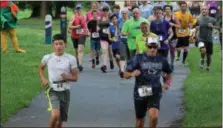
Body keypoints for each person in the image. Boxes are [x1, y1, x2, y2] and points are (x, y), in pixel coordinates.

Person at [120, 36, 172, 128]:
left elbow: (169, 72)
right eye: (150, 47)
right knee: (140, 121)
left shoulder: (162, 60)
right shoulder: (138, 58)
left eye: (155, 47)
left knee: (154, 117)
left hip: (155, 91)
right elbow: (124, 74)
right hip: (141, 92)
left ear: (158, 47)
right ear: (146, 46)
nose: (152, 49)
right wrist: (132, 74)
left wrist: (167, 83)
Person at [39, 34, 79, 128]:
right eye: (56, 44)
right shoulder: (47, 57)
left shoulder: (71, 59)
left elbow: (75, 78)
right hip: (52, 89)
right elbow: (40, 68)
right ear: (53, 45)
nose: (58, 46)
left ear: (65, 44)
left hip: (65, 90)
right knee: (55, 115)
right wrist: (43, 78)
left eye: (61, 44)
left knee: (60, 120)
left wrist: (67, 77)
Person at [195, 5, 219, 72]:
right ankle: (202, 59)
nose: (204, 10)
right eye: (202, 9)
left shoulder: (212, 19)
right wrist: (196, 28)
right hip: (201, 39)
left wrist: (213, 26)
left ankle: (208, 67)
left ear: (208, 11)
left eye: (205, 9)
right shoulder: (198, 19)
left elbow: (219, 27)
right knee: (203, 50)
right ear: (201, 11)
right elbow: (194, 26)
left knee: (208, 56)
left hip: (209, 39)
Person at [68, 4, 87, 72]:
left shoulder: (84, 16)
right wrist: (76, 27)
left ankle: (80, 65)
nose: (79, 10)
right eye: (77, 9)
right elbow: (69, 26)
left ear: (81, 9)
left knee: (80, 50)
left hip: (82, 34)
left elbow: (85, 25)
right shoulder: (73, 17)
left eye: (80, 9)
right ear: (75, 10)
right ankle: (77, 62)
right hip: (74, 35)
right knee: (76, 51)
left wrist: (87, 31)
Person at [174, 1, 194, 66]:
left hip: (185, 33)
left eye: (185, 6)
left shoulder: (189, 14)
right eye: (182, 6)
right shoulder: (176, 14)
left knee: (185, 48)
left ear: (186, 7)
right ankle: (178, 55)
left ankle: (184, 61)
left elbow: (191, 22)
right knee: (178, 48)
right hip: (178, 33)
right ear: (180, 7)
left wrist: (190, 25)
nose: (183, 8)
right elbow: (173, 21)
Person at [164, 5, 180, 71]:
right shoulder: (163, 17)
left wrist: (172, 24)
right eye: (166, 9)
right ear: (164, 10)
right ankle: (166, 64)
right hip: (165, 37)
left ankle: (172, 64)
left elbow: (179, 26)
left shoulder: (174, 17)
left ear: (171, 10)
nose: (167, 10)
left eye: (168, 9)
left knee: (172, 51)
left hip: (173, 37)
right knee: (165, 52)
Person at [98, 6, 114, 73]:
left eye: (106, 11)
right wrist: (97, 29)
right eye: (103, 11)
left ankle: (111, 61)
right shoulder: (100, 19)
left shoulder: (110, 19)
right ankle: (104, 65)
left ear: (108, 11)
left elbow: (113, 27)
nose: (105, 12)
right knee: (104, 51)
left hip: (109, 37)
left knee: (110, 52)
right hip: (102, 37)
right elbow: (97, 26)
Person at [118, 8, 130, 74]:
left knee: (129, 56)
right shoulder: (119, 21)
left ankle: (128, 68)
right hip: (122, 40)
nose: (123, 15)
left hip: (130, 40)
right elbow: (118, 29)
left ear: (128, 14)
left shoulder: (131, 21)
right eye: (122, 13)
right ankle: (122, 70)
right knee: (122, 55)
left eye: (125, 13)